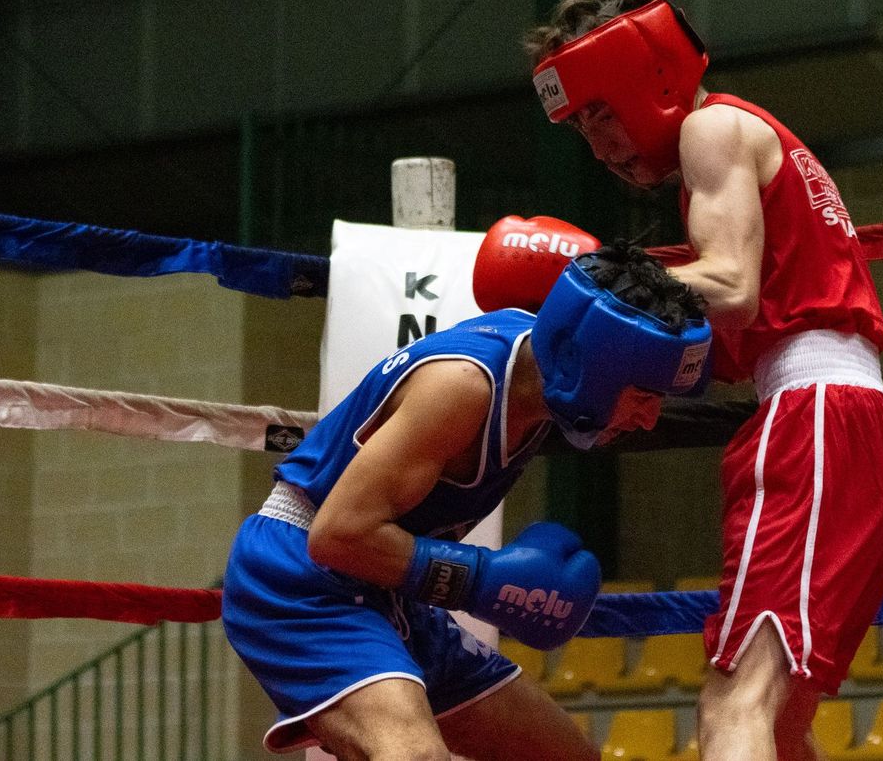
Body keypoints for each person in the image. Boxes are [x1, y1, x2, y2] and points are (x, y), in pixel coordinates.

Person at [523, 0, 883, 761]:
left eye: (601, 111)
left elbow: (730, 287)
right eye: (581, 126)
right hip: (844, 426)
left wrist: (582, 290)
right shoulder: (743, 143)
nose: (597, 143)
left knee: (734, 705)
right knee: (779, 718)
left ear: (649, 76)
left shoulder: (711, 127)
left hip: (815, 421)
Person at [221, 242, 711, 761]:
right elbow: (337, 536)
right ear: (594, 367)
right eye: (644, 395)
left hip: (387, 585)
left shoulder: (536, 366)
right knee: (412, 754)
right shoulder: (461, 388)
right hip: (299, 576)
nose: (650, 419)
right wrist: (480, 580)